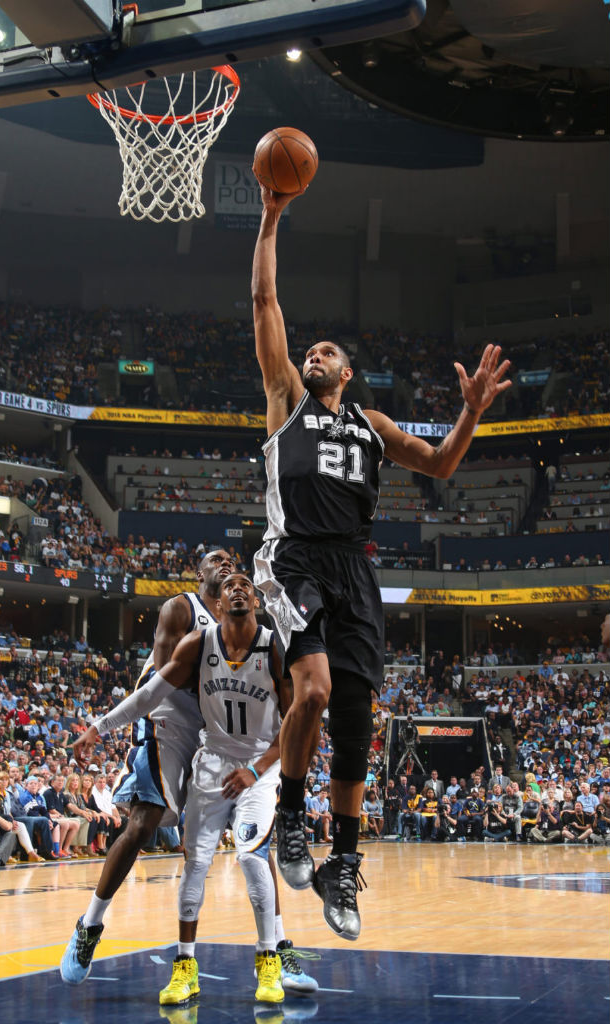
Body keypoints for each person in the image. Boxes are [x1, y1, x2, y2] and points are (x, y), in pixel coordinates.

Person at [251, 188, 511, 936]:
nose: (314, 354)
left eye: (328, 351)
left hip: (355, 570)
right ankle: (292, 815)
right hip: (293, 556)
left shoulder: (372, 423)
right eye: (311, 350)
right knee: (315, 689)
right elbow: (265, 297)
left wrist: (469, 415)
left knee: (358, 719)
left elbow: (437, 465)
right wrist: (272, 217)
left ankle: (344, 866)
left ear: (350, 369)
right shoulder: (285, 398)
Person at [64, 573, 309, 1007]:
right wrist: (98, 729)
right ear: (214, 604)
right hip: (211, 760)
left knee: (252, 857)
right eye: (228, 584)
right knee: (194, 863)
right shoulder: (199, 642)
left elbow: (295, 725)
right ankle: (185, 969)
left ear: (256, 600)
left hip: (258, 766)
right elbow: (149, 694)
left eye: (245, 584)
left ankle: (269, 958)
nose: (237, 587)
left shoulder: (273, 645)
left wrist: (258, 768)